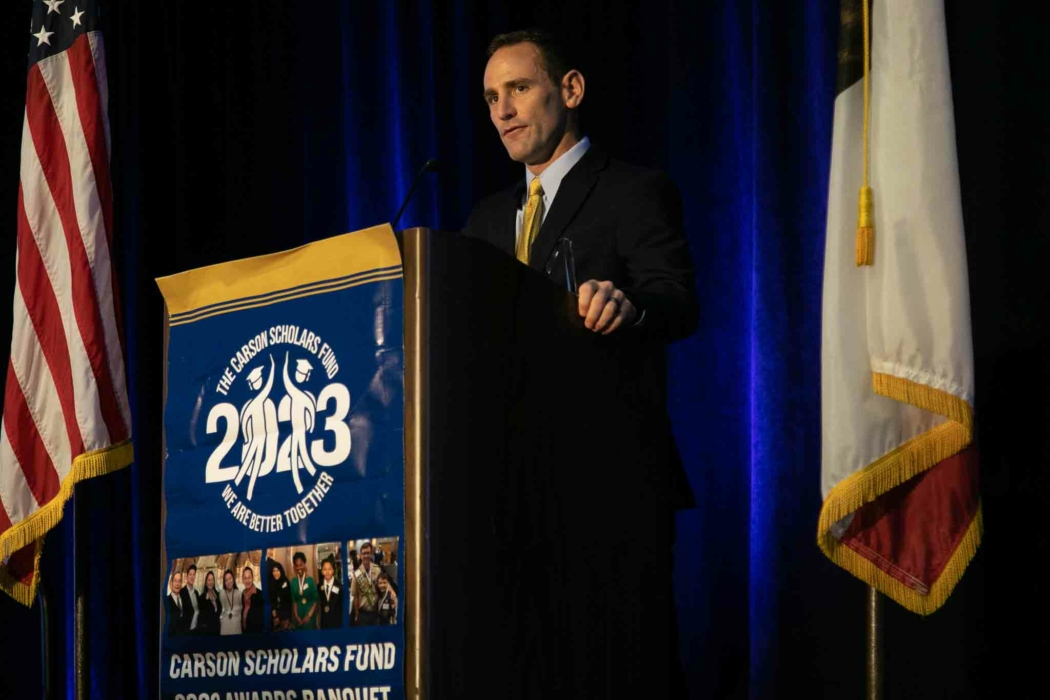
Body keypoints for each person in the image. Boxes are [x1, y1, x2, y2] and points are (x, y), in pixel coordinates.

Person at [460, 29, 698, 695]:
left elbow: (678, 300)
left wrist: (629, 304)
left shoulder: (632, 190)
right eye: (491, 97)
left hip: (607, 492)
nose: (503, 110)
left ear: (570, 89)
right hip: (506, 500)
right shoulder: (484, 220)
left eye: (518, 88)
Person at [350, 541, 381, 626]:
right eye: (364, 553)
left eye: (368, 553)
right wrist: (356, 614)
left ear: (371, 554)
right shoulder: (357, 574)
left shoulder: (377, 570)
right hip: (363, 614)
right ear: (360, 555)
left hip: (376, 612)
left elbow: (383, 589)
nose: (366, 555)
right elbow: (355, 596)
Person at [291, 551, 318, 630]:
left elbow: (315, 601)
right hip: (298, 618)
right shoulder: (293, 582)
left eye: (301, 565)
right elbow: (294, 601)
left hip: (309, 617)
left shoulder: (310, 580)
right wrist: (296, 616)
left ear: (304, 564)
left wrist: (309, 615)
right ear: (294, 567)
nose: (299, 568)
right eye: (297, 566)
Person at [268, 559, 294, 631]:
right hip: (275, 615)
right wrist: (274, 613)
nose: (275, 573)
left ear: (281, 571)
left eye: (277, 570)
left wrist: (280, 616)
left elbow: (288, 601)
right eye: (274, 571)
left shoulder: (285, 581)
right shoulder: (271, 583)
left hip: (285, 615)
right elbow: (272, 600)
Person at [318, 558, 343, 629]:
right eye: (325, 569)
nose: (327, 572)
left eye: (330, 569)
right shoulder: (319, 586)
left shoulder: (339, 586)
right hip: (324, 623)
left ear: (333, 570)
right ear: (321, 571)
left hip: (337, 622)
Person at [166, 570, 190, 637]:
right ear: (171, 583)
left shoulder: (185, 600)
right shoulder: (166, 601)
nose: (177, 584)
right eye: (175, 581)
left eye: (179, 581)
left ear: (181, 584)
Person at [219, 569, 243, 635]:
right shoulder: (222, 593)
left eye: (230, 578)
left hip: (236, 624)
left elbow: (242, 608)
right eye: (226, 580)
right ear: (224, 582)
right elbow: (221, 608)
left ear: (233, 579)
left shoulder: (239, 593)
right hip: (225, 625)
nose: (228, 582)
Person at [241, 566, 265, 634]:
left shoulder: (260, 594)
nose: (247, 580)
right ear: (242, 580)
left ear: (252, 578)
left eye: (249, 578)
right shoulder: (242, 594)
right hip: (244, 632)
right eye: (245, 578)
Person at [198, 570, 222, 635]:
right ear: (206, 582)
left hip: (217, 629)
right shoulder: (201, 598)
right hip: (207, 632)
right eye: (209, 580)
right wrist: (206, 601)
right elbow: (202, 617)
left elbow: (219, 612)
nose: (211, 582)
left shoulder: (218, 595)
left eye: (212, 580)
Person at [180, 564, 201, 635]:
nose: (192, 577)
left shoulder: (196, 593)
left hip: (197, 629)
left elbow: (198, 610)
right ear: (187, 576)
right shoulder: (181, 592)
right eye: (190, 574)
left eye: (194, 574)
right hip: (186, 631)